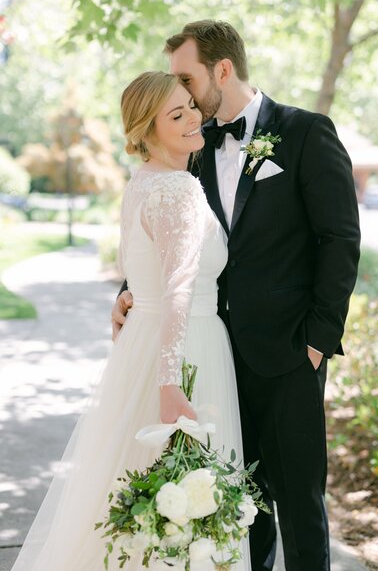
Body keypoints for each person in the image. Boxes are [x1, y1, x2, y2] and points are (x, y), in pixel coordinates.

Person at [113, 21, 361, 571]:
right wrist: (133, 291)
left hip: (289, 352)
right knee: (233, 508)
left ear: (222, 70)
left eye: (186, 77)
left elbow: (339, 239)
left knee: (298, 504)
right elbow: (175, 241)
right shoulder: (192, 145)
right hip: (215, 355)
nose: (178, 92)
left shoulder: (305, 132)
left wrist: (318, 341)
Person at [11, 71, 251, 571]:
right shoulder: (179, 189)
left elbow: (145, 275)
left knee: (144, 498)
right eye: (176, 114)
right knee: (180, 503)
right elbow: (179, 287)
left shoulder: (143, 182)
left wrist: (131, 306)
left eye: (191, 105)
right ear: (146, 129)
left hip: (149, 341)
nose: (193, 119)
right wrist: (170, 384)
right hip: (186, 351)